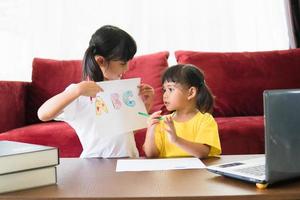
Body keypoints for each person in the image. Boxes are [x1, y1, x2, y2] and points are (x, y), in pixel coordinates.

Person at [38, 25, 154, 158]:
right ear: (100, 61)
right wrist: (77, 90)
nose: (127, 68)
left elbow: (127, 131)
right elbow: (43, 114)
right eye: (123, 63)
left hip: (128, 162)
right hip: (94, 163)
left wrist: (146, 105)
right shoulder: (80, 93)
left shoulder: (121, 90)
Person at [143, 64, 221, 158]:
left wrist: (176, 140)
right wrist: (151, 129)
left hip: (196, 172)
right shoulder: (163, 121)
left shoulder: (205, 120)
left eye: (170, 89)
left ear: (191, 92)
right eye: (164, 90)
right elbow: (151, 155)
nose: (165, 95)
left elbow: (203, 153)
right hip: (170, 172)